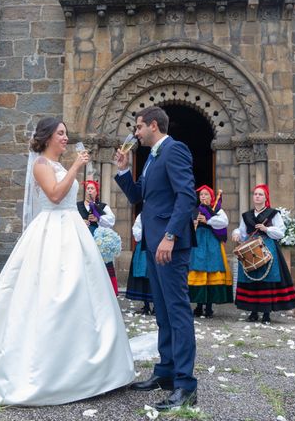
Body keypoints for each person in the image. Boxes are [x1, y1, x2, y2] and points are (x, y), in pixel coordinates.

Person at [0, 117, 134, 406]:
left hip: (72, 230)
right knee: (51, 293)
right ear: (46, 137)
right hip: (52, 231)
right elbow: (55, 196)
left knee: (84, 292)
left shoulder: (56, 165)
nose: (65, 138)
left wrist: (73, 169)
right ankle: (47, 367)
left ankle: (87, 361)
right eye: (60, 134)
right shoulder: (41, 165)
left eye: (66, 134)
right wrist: (76, 167)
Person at [115, 106, 198, 410]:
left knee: (177, 312)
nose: (135, 133)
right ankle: (165, 372)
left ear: (153, 125)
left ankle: (186, 385)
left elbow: (186, 196)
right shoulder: (151, 158)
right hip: (153, 242)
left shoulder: (175, 150)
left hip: (170, 244)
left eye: (138, 128)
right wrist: (124, 170)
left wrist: (171, 236)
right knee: (162, 312)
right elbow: (139, 196)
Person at [232, 184, 295, 324]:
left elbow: (280, 232)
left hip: (267, 247)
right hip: (250, 248)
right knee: (251, 279)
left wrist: (266, 229)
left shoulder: (273, 213)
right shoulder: (247, 215)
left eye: (260, 194)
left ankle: (266, 314)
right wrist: (236, 234)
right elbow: (242, 232)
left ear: (266, 197)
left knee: (266, 280)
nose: (257, 196)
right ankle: (253, 312)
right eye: (255, 194)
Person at [189, 185, 233, 318]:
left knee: (212, 270)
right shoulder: (195, 210)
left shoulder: (217, 209)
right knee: (199, 270)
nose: (203, 197)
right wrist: (193, 223)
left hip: (212, 243)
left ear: (211, 196)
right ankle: (199, 305)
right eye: (201, 195)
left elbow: (224, 222)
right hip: (198, 242)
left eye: (206, 194)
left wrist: (208, 220)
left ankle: (209, 307)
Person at [77, 180, 118, 294]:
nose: (89, 190)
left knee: (100, 266)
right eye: (88, 188)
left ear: (96, 192)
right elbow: (70, 220)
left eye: (92, 188)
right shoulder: (77, 206)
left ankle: (102, 292)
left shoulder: (102, 206)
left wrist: (98, 218)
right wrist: (81, 222)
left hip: (97, 241)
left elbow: (111, 220)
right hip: (82, 240)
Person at [125, 214, 153, 315]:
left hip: (157, 246)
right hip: (143, 248)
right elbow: (136, 234)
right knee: (144, 276)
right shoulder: (142, 216)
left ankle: (157, 306)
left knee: (156, 277)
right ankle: (146, 305)